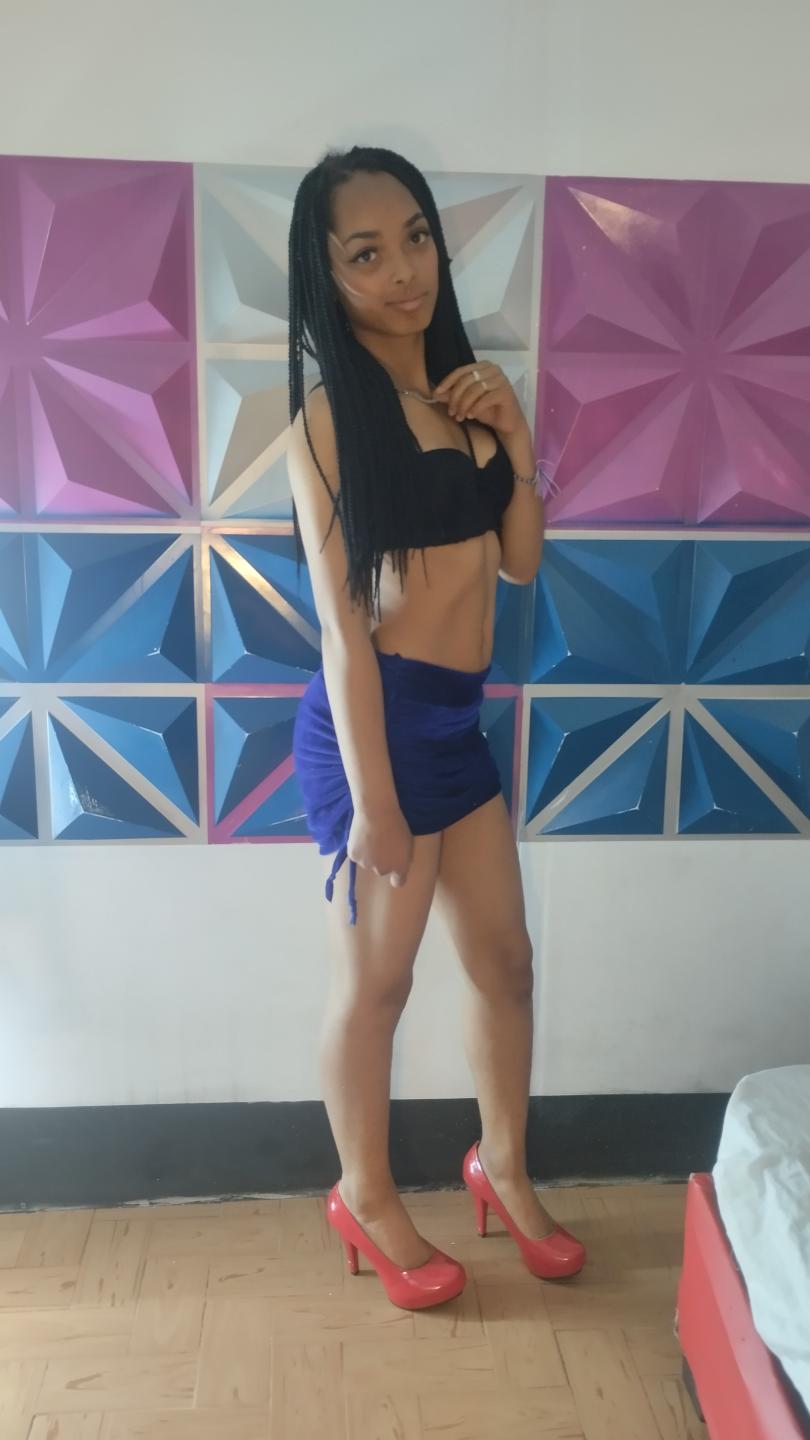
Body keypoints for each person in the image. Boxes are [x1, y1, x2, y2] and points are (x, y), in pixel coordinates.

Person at [286, 144, 585, 1310]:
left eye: (415, 237)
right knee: (378, 987)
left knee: (506, 964)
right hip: (377, 728)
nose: (404, 269)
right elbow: (342, 634)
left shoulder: (465, 393)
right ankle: (363, 1193)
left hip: (457, 729)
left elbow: (520, 566)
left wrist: (516, 439)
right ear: (328, 277)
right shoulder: (327, 420)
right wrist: (374, 802)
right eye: (366, 254)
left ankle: (499, 1164)